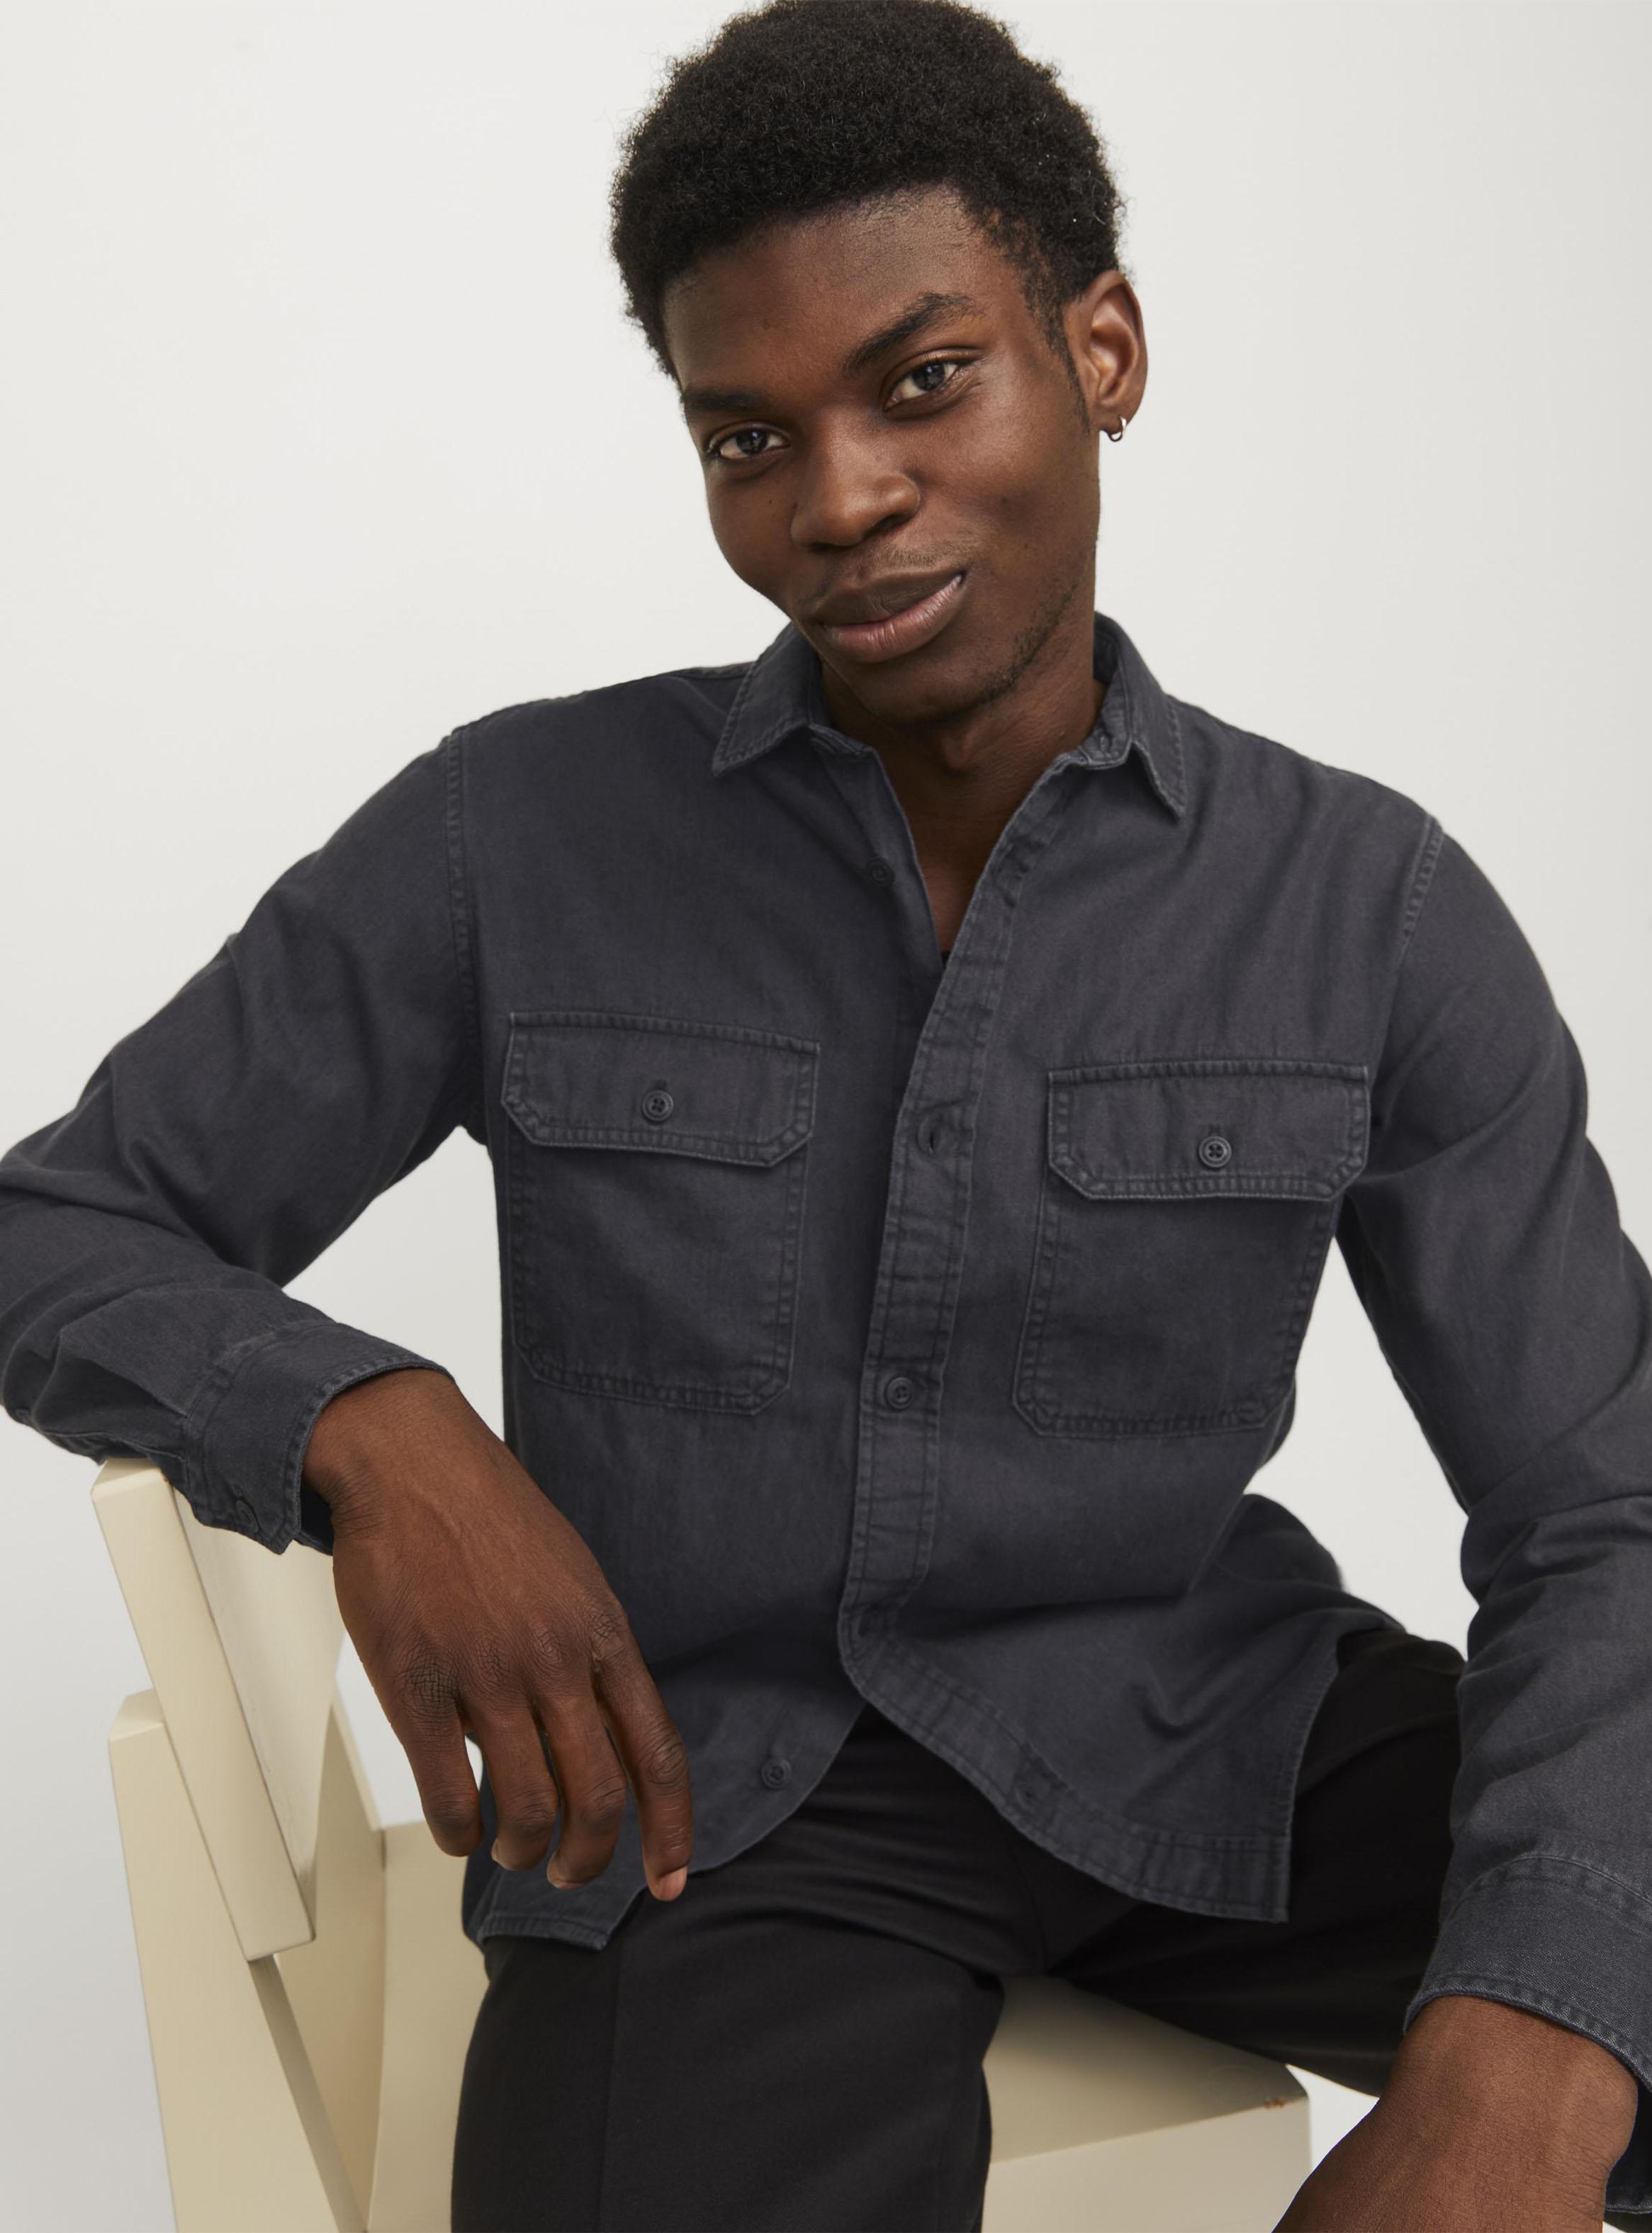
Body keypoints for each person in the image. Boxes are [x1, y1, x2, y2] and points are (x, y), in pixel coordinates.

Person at [2, 1, 1648, 2225]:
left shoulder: (1368, 906)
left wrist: (1528, 2058)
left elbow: (1599, 1506)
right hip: (724, 1806)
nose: (839, 498)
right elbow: (57, 1222)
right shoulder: (514, 837)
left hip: (1212, 1731)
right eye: (745, 435)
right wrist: (376, 1429)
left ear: (1100, 350)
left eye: (921, 380)